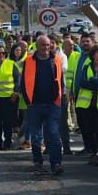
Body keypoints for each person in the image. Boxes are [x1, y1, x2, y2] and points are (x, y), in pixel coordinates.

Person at [21, 32, 68, 176]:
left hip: (53, 104)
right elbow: (23, 83)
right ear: (36, 46)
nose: (46, 48)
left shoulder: (57, 60)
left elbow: (61, 81)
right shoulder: (29, 61)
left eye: (48, 45)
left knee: (53, 134)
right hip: (35, 105)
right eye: (43, 45)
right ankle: (38, 162)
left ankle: (56, 163)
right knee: (36, 137)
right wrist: (28, 101)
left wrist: (59, 99)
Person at [75, 42, 98, 166]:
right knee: (89, 129)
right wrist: (97, 83)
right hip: (87, 104)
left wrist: (93, 81)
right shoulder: (87, 67)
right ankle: (94, 152)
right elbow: (83, 82)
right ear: (93, 55)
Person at [0, 41, 20, 152]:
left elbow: (18, 79)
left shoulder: (11, 64)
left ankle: (7, 143)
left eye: (3, 53)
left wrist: (16, 92)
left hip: (9, 98)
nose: (1, 55)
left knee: (8, 123)